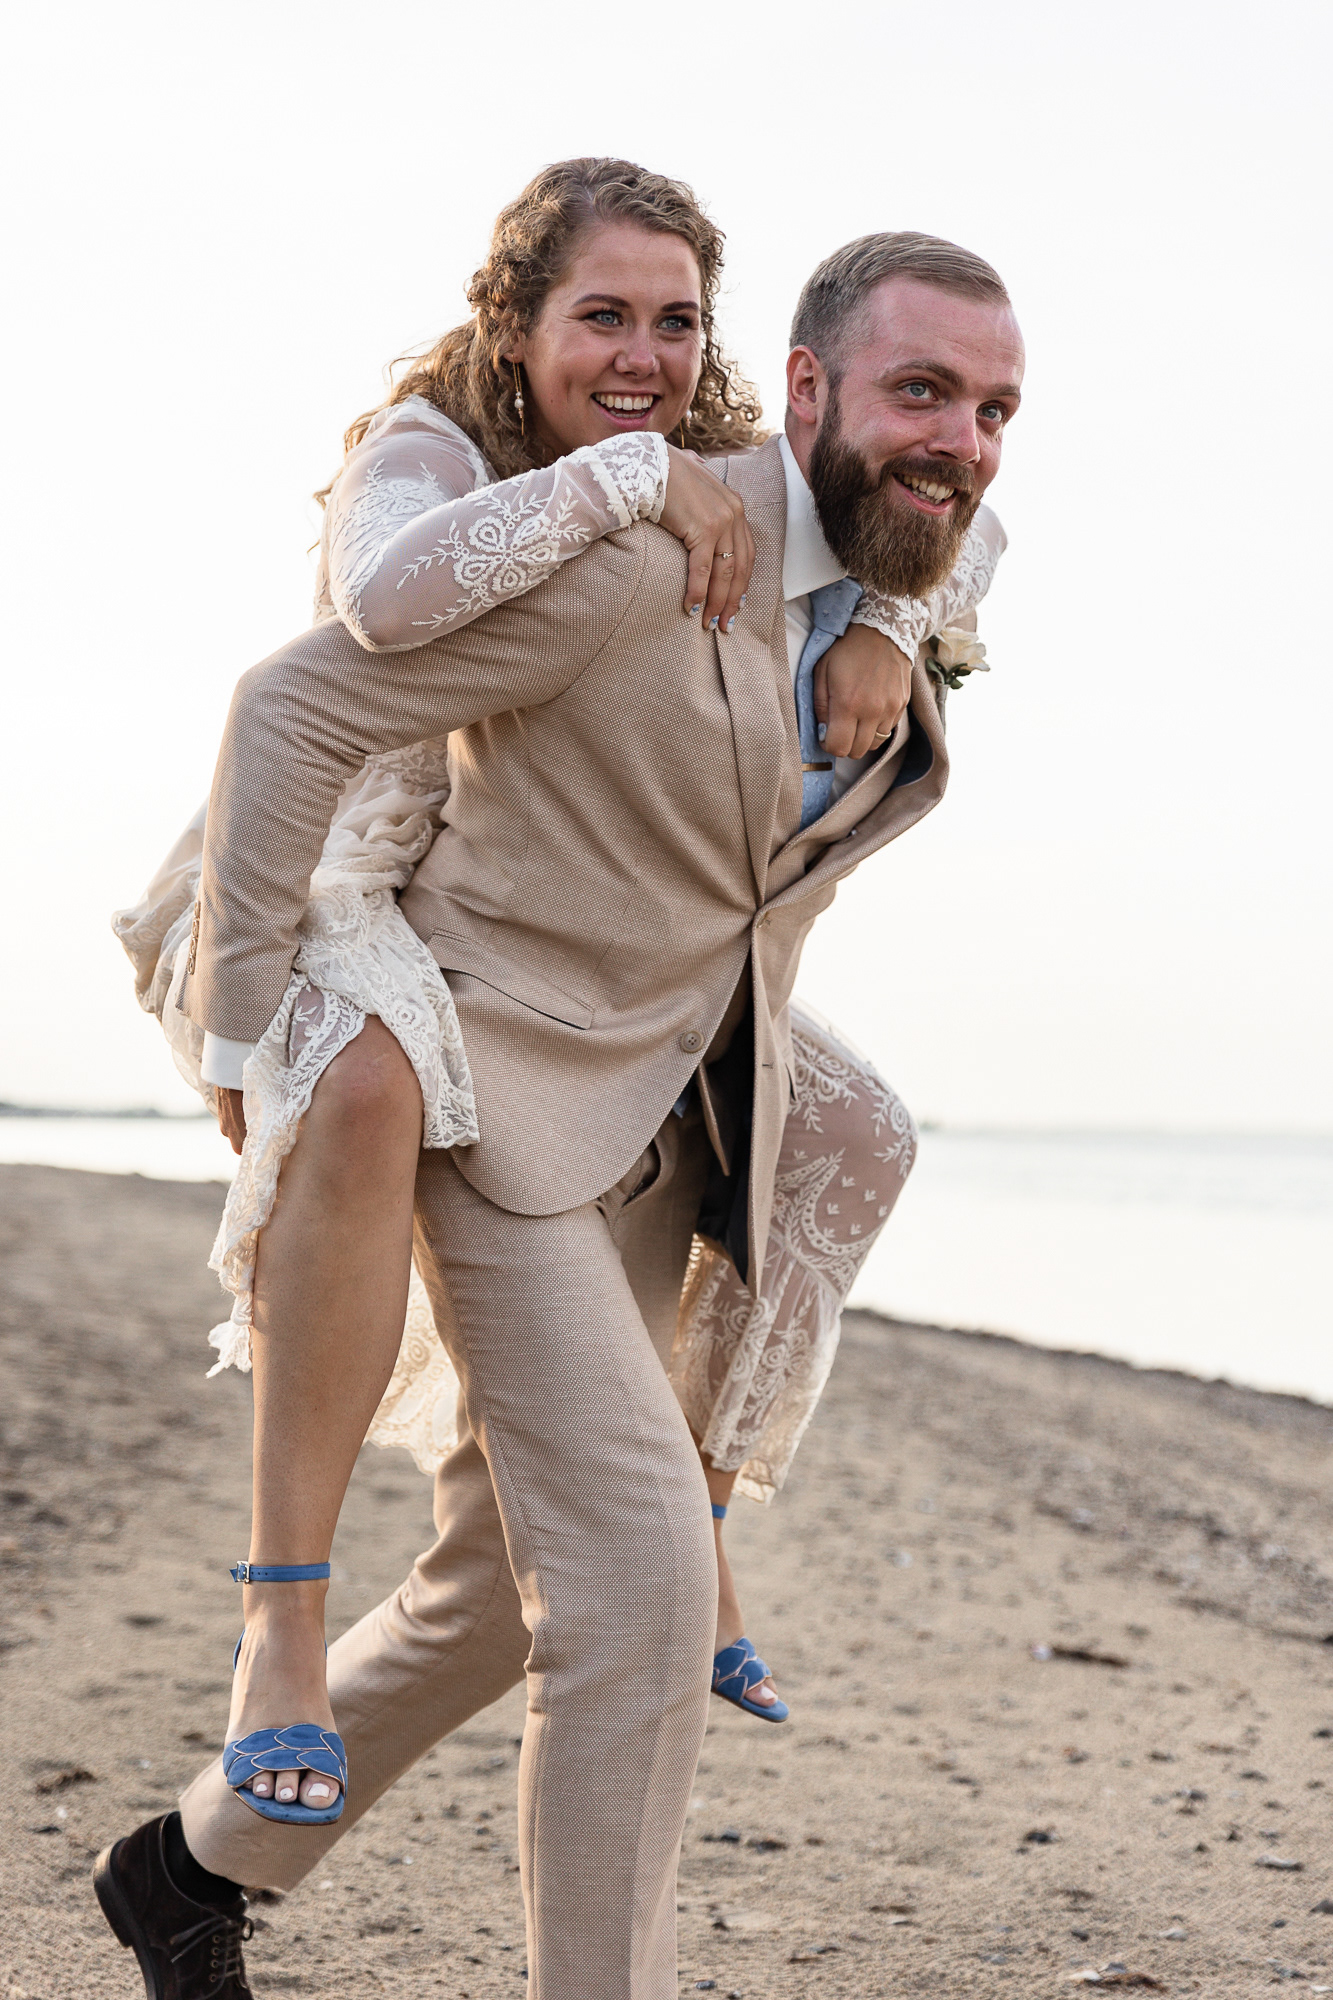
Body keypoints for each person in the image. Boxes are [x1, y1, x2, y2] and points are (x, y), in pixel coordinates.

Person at [97, 161, 1021, 2000]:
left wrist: (883, 626)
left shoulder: (903, 550)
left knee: (481, 1591)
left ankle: (188, 1872)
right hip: (482, 1080)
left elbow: (933, 583)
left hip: (675, 1102)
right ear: (810, 386)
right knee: (636, 1595)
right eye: (922, 392)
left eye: (994, 409)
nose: (963, 443)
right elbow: (298, 702)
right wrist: (245, 1034)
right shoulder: (617, 543)